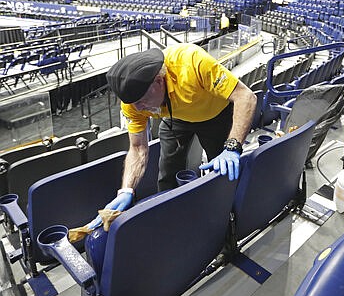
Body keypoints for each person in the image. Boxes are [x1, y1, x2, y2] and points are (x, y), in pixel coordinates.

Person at [87, 43, 256, 228]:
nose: (138, 109)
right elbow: (137, 148)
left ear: (159, 81)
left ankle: (226, 222)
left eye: (142, 101)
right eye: (133, 104)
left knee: (222, 172)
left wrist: (232, 146)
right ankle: (169, 221)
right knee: (167, 170)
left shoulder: (192, 62)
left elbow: (246, 96)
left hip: (214, 114)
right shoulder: (133, 103)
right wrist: (126, 189)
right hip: (174, 118)